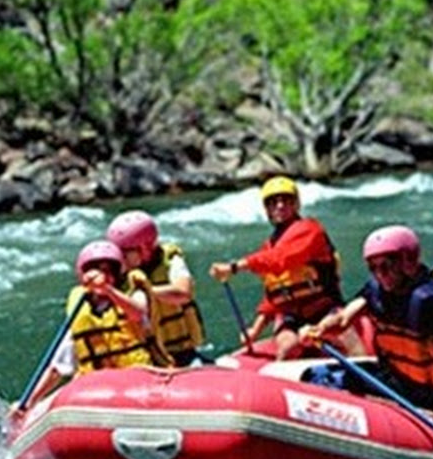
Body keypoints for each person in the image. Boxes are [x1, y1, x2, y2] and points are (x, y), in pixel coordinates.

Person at [300, 224, 433, 455]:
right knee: (316, 377)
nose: (381, 275)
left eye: (386, 267)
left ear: (407, 262)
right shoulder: (376, 290)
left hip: (431, 396)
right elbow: (343, 319)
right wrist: (318, 329)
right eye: (374, 268)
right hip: (395, 381)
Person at [21, 239, 170, 409]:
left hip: (138, 383)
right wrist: (30, 402)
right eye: (95, 270)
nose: (100, 275)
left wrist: (108, 290)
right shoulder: (80, 312)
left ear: (117, 275)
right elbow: (58, 369)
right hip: (96, 390)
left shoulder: (134, 295)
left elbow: (138, 313)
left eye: (107, 270)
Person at [208, 175, 343, 360]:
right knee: (288, 348)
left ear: (296, 204)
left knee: (349, 346)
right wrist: (255, 329)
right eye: (273, 202)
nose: (279, 206)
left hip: (325, 310)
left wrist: (234, 267)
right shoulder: (269, 246)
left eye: (286, 200)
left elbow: (280, 260)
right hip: (292, 317)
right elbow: (273, 294)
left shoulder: (310, 230)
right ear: (267, 210)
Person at [106, 209, 206, 366]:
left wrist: (147, 292)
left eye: (125, 252)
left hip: (180, 352)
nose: (120, 257)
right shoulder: (119, 273)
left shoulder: (171, 261)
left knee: (197, 368)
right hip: (143, 356)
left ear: (144, 248)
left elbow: (184, 292)